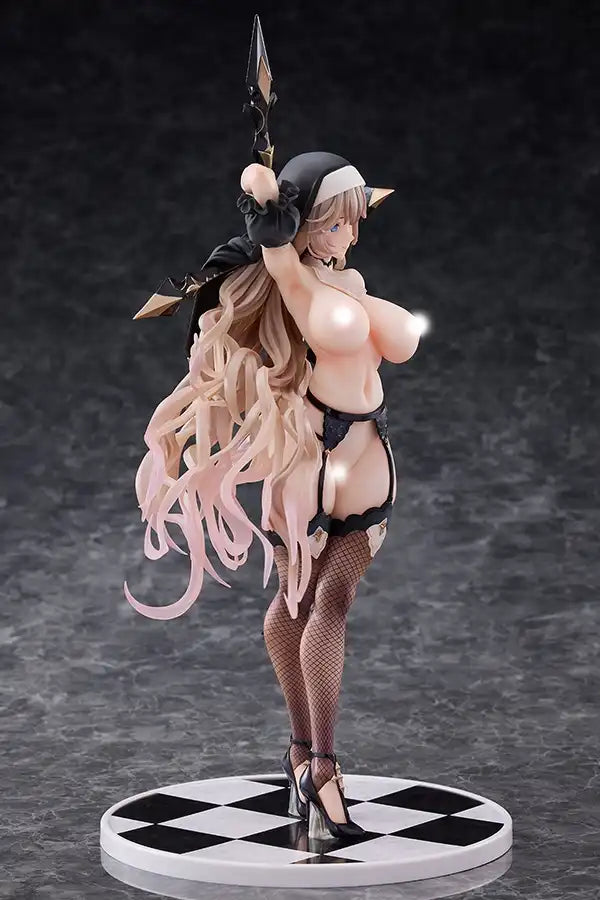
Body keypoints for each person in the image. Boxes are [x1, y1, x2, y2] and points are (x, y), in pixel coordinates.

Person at [124, 151, 421, 840]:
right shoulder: (290, 276)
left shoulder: (349, 280)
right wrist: (267, 200)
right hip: (310, 467)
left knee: (321, 600)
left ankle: (304, 760)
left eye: (355, 220)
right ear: (303, 224)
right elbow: (260, 200)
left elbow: (389, 342)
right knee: (308, 602)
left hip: (367, 456)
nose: (349, 234)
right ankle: (318, 763)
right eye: (335, 221)